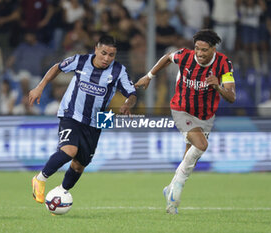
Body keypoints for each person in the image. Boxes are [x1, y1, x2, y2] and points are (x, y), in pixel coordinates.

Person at [135, 29, 236, 214]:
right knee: (202, 144)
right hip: (181, 109)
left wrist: (218, 87)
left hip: (206, 116)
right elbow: (167, 58)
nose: (199, 53)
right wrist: (149, 76)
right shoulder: (185, 56)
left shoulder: (224, 64)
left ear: (213, 49)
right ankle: (176, 191)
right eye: (197, 48)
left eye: (204, 50)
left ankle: (170, 189)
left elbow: (231, 96)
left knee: (191, 156)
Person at [29, 35, 137, 204]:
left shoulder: (119, 70)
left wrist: (128, 103)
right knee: (69, 150)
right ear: (95, 49)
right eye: (103, 53)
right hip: (71, 113)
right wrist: (39, 87)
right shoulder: (80, 61)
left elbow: (132, 94)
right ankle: (40, 179)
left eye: (111, 55)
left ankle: (61, 193)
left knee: (80, 165)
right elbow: (57, 67)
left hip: (99, 119)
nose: (107, 58)